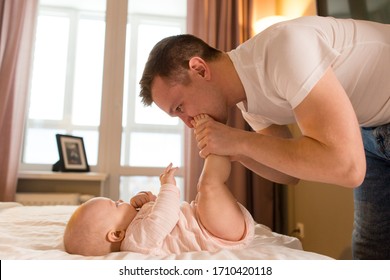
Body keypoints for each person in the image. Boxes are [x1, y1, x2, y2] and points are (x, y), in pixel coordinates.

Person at [139, 16, 390, 259]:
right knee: (371, 252)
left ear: (199, 69)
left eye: (180, 107)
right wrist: (235, 151)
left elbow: (348, 167)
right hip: (370, 130)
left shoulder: (284, 50)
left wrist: (238, 140)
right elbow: (288, 174)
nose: (189, 123)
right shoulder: (248, 99)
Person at [63, 115, 254, 256]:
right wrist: (167, 186)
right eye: (115, 204)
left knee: (208, 187)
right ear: (116, 234)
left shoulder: (138, 228)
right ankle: (219, 144)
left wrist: (150, 201)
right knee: (208, 185)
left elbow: (159, 217)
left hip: (210, 222)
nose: (120, 200)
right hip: (215, 233)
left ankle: (220, 146)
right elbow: (166, 215)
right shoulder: (136, 242)